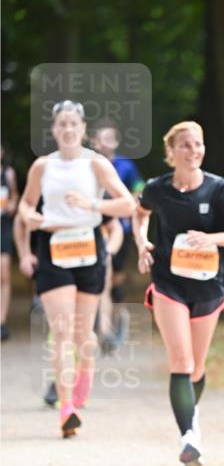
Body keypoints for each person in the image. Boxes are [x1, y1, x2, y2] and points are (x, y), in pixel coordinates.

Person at [133, 120, 224, 466]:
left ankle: (191, 415)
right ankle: (188, 437)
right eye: (186, 145)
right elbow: (138, 213)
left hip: (207, 286)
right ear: (171, 152)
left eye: (198, 144)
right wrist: (142, 242)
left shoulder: (218, 189)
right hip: (168, 283)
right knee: (181, 362)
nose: (194, 150)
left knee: (197, 367)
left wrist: (211, 238)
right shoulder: (157, 188)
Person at [17, 101, 135, 437]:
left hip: (89, 249)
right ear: (53, 130)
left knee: (85, 334)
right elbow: (25, 203)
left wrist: (92, 205)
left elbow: (127, 203)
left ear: (82, 129)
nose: (67, 129)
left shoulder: (96, 164)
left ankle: (83, 377)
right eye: (61, 124)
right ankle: (66, 407)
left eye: (73, 124)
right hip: (54, 250)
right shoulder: (42, 166)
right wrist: (30, 217)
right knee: (62, 331)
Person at [90, 118, 145, 350]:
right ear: (94, 141)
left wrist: (128, 206)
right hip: (91, 228)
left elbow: (140, 189)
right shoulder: (87, 165)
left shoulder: (126, 165)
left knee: (114, 281)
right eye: (103, 138)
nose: (107, 142)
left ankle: (112, 321)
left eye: (110, 138)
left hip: (118, 229)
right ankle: (102, 330)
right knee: (101, 278)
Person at [1, 145, 19, 341]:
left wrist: (13, 204)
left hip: (3, 227)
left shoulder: (8, 173)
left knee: (4, 274)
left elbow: (15, 196)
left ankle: (2, 321)